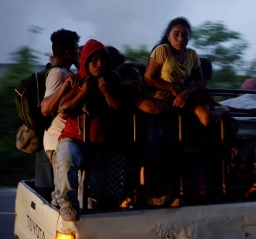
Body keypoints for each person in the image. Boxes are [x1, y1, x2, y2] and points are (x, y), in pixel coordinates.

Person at [53, 39, 122, 221]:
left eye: (102, 60)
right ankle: (65, 201)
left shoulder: (112, 80)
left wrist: (106, 92)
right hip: (73, 138)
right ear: (85, 62)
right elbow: (63, 110)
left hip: (98, 143)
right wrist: (83, 93)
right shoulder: (75, 80)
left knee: (94, 188)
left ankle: (89, 207)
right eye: (94, 60)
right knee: (67, 158)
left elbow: (119, 109)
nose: (99, 64)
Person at [137, 17, 210, 125]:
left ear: (189, 37)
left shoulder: (192, 54)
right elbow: (149, 78)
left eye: (184, 35)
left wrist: (185, 93)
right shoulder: (162, 50)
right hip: (160, 94)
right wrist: (171, 87)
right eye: (176, 34)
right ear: (168, 36)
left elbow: (199, 80)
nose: (180, 39)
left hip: (180, 95)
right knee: (151, 108)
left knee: (205, 118)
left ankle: (222, 110)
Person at [39, 29, 80, 200]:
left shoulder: (64, 72)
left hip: (62, 141)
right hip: (58, 143)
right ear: (69, 52)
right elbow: (46, 108)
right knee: (64, 197)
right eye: (77, 50)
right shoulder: (58, 73)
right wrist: (65, 87)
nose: (79, 53)